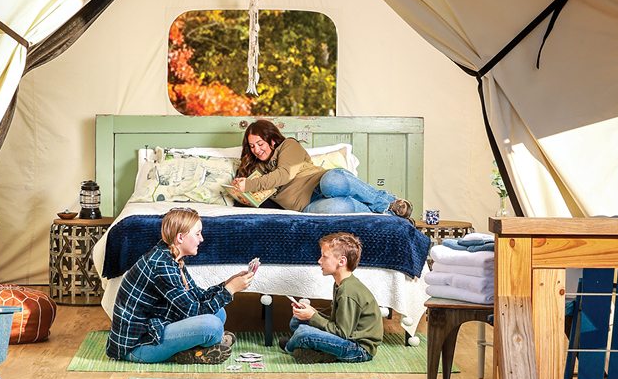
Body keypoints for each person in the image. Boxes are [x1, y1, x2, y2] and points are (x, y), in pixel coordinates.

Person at [106, 207, 255, 364]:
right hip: (138, 346)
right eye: (197, 234)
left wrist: (227, 283)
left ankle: (194, 349)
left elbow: (197, 296)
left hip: (157, 325)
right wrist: (230, 290)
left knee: (219, 313)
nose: (202, 239)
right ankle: (195, 350)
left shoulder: (170, 256)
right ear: (180, 237)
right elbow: (194, 311)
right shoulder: (161, 266)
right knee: (213, 327)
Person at [231, 118, 412, 218]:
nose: (256, 150)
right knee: (339, 208)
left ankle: (386, 201)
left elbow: (285, 174)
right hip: (308, 206)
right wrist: (241, 188)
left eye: (260, 144)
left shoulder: (288, 146)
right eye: (252, 146)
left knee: (333, 181)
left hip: (319, 184)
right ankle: (385, 214)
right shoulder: (258, 170)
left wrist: (249, 185)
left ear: (271, 140)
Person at [282, 232, 383, 363]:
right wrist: (313, 312)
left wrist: (313, 317)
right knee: (297, 321)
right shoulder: (341, 283)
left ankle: (290, 348)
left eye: (324, 257)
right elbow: (337, 322)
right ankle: (316, 351)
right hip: (347, 336)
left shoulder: (348, 291)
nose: (319, 261)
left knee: (303, 332)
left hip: (358, 349)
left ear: (342, 261)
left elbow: (342, 333)